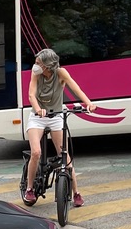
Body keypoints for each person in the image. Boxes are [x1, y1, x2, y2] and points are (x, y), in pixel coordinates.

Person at [23, 48, 97, 207]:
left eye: (38, 63)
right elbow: (31, 94)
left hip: (56, 115)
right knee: (36, 152)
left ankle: (76, 192)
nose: (35, 65)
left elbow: (76, 88)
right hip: (37, 117)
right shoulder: (35, 73)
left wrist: (88, 103)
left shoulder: (61, 73)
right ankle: (29, 189)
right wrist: (37, 109)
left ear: (48, 65)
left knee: (64, 155)